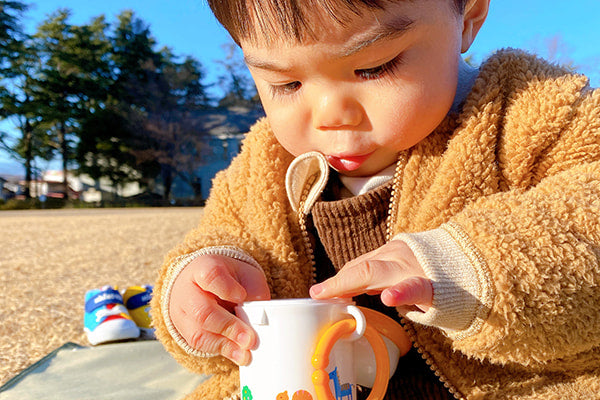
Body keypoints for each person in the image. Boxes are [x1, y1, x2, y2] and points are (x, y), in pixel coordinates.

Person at [150, 0, 600, 398]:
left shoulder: (529, 114)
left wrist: (462, 266)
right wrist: (201, 295)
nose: (330, 114)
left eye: (373, 67)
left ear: (469, 15)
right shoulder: (263, 166)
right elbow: (223, 234)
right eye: (286, 84)